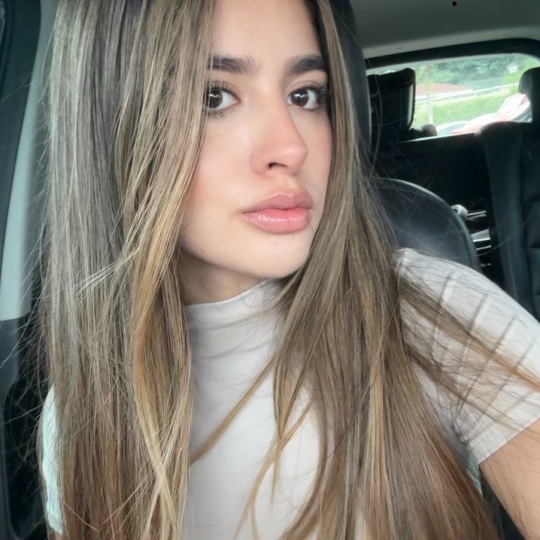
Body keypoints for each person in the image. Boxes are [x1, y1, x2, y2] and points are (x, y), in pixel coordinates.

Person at [38, 0, 540, 538]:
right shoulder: (76, 412)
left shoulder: (440, 316)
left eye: (306, 95)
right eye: (213, 96)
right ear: (112, 125)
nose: (292, 147)